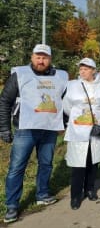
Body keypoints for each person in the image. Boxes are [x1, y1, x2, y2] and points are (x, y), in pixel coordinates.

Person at [0, 44, 68, 223]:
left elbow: (66, 102)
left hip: (49, 129)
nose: (41, 60)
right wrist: (4, 128)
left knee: (46, 164)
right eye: (38, 56)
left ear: (50, 59)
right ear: (32, 57)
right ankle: (12, 205)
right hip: (25, 129)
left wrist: (66, 122)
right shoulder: (20, 74)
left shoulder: (60, 77)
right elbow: (5, 102)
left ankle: (42, 194)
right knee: (17, 168)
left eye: (45, 57)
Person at [62, 58, 100, 210]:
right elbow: (67, 106)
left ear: (93, 70)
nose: (83, 71)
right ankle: (75, 195)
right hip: (78, 129)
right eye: (81, 69)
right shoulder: (72, 85)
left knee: (93, 162)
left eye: (86, 69)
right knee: (78, 165)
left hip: (96, 128)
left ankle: (90, 189)